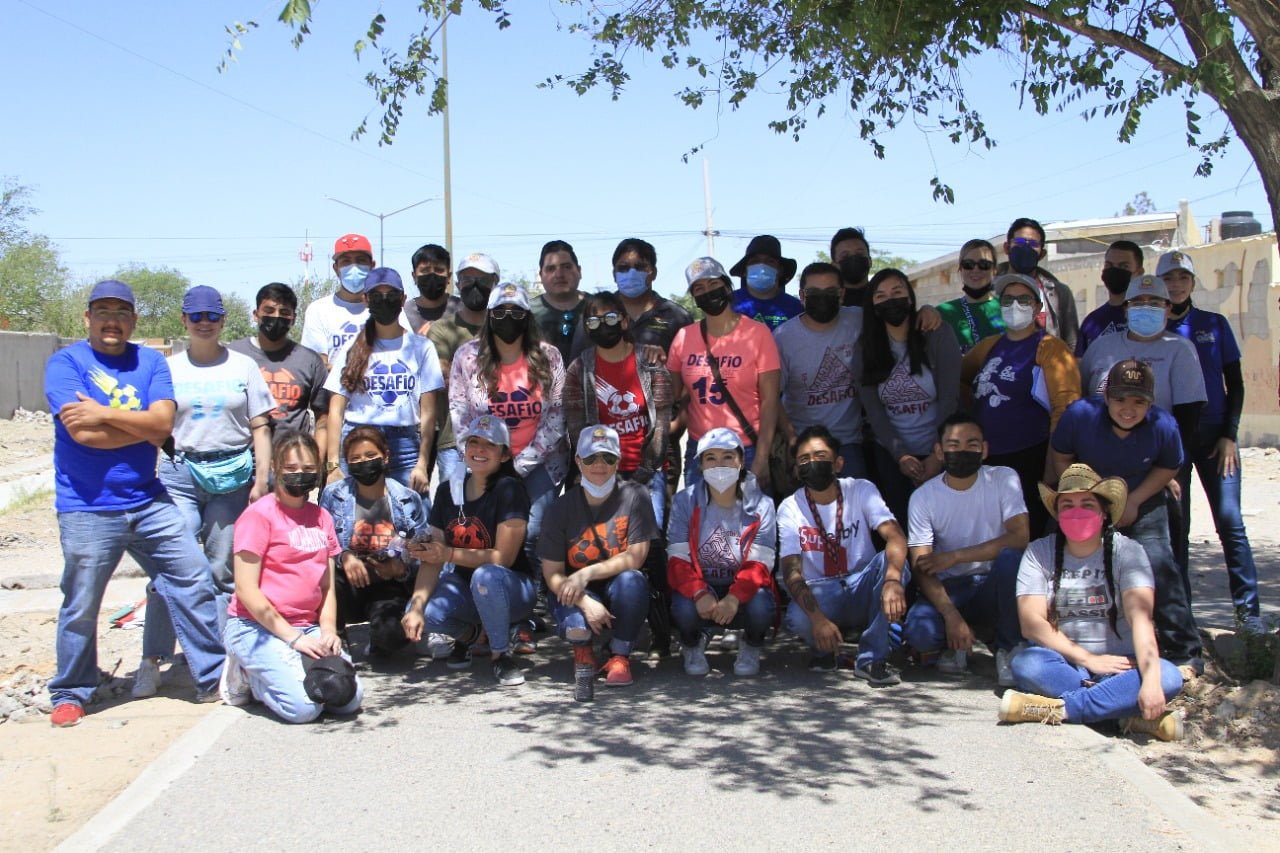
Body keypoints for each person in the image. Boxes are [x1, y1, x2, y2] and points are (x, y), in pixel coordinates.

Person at [44, 280, 226, 727]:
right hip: (87, 506)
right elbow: (82, 433)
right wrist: (142, 426)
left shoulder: (150, 362)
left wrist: (105, 413)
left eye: (122, 313)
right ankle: (72, 690)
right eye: (103, 312)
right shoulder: (66, 363)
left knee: (194, 579)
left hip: (148, 499)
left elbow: (164, 425)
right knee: (82, 602)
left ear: (134, 320)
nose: (113, 321)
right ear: (87, 318)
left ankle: (212, 676)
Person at [138, 285, 274, 698]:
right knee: (171, 568)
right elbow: (152, 426)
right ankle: (152, 659)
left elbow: (260, 426)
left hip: (232, 474)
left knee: (221, 571)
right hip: (180, 471)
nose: (204, 323)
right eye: (195, 316)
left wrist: (262, 480)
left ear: (222, 321)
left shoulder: (243, 366)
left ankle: (219, 661)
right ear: (184, 320)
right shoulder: (167, 369)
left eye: (211, 316)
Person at [998, 464, 1184, 742]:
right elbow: (1031, 623)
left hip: (1122, 667)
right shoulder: (1039, 552)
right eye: (1068, 505)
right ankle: (1121, 715)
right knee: (1027, 664)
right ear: (1057, 513)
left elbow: (1141, 619)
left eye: (1087, 504)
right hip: (1067, 665)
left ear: (1104, 511)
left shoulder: (1128, 552)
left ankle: (1059, 709)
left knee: (1168, 676)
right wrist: (1089, 660)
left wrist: (1150, 679)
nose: (1077, 511)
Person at [1051, 359, 1201, 675]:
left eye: (1138, 401)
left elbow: (1169, 466)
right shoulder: (1079, 415)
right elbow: (1061, 457)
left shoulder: (1164, 425)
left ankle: (1184, 652)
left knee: (1159, 563)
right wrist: (1086, 498)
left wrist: (1134, 500)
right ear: (1106, 397)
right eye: (1120, 399)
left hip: (1141, 496)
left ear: (1151, 403)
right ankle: (1056, 643)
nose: (1128, 409)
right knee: (1057, 558)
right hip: (1088, 496)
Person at [221, 431, 363, 723]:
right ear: (275, 467)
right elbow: (246, 589)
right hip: (255, 627)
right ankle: (247, 676)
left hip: (307, 626)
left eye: (308, 468)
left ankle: (287, 668)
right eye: (291, 468)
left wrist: (328, 631)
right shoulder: (258, 516)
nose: (300, 475)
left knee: (347, 698)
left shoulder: (322, 518)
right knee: (304, 709)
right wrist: (293, 639)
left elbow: (327, 586)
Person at [1159, 251, 1262, 631]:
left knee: (1230, 522)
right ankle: (1182, 616)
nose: (1176, 285)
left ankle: (1248, 615)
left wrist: (1229, 436)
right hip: (1173, 442)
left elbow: (1235, 384)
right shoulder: (1153, 331)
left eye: (1183, 278)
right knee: (1177, 528)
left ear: (1192, 282)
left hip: (1216, 439)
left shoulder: (1213, 324)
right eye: (1169, 278)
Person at [448, 282, 567, 590]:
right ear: (489, 316)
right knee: (489, 532)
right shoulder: (467, 356)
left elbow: (557, 416)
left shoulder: (549, 356)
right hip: (486, 462)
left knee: (533, 532)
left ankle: (533, 596)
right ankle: (494, 595)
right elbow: (460, 414)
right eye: (500, 312)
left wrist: (520, 463)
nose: (508, 318)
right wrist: (487, 460)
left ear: (528, 317)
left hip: (540, 461)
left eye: (516, 312)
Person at [401, 415, 534, 686]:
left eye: (490, 444)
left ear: (504, 455)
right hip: (465, 587)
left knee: (487, 575)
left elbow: (503, 558)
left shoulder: (511, 489)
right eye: (474, 442)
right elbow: (434, 556)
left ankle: (500, 655)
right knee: (423, 609)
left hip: (511, 588)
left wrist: (448, 554)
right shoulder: (447, 491)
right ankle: (471, 635)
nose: (480, 450)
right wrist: (416, 606)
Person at [778, 425, 910, 685]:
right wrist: (817, 620)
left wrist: (893, 581)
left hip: (862, 584)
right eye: (804, 459)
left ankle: (871, 659)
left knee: (893, 562)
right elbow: (791, 571)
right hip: (823, 591)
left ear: (838, 463)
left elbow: (895, 536)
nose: (812, 463)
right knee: (797, 617)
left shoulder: (861, 489)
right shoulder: (790, 506)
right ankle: (826, 649)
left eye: (820, 456)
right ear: (796, 469)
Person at [904, 412, 1029, 684]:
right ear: (939, 451)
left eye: (972, 444)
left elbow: (1020, 537)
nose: (962, 451)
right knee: (920, 633)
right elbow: (921, 565)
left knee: (1012, 559)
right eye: (953, 445)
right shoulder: (923, 497)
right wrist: (950, 615)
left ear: (984, 450)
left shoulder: (1003, 478)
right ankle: (961, 638)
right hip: (951, 588)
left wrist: (956, 556)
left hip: (992, 584)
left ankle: (1008, 648)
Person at [538, 426, 657, 692]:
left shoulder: (636, 496)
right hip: (573, 590)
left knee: (633, 581)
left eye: (608, 457)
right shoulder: (560, 508)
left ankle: (620, 654)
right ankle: (583, 649)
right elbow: (552, 573)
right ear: (578, 461)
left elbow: (636, 557)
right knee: (576, 626)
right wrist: (585, 601)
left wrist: (586, 573)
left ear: (618, 461)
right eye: (591, 458)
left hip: (615, 584)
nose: (599, 465)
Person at [960, 273, 1080, 535]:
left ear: (1037, 307)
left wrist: (1052, 469)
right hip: (988, 461)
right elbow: (960, 377)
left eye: (1023, 300)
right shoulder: (990, 346)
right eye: (1008, 299)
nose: (1015, 305)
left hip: (1030, 458)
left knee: (1025, 534)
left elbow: (1065, 409)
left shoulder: (1051, 348)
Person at [667, 429, 778, 677]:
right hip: (702, 584)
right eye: (711, 458)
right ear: (700, 465)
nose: (719, 464)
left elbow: (760, 565)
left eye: (728, 457)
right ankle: (692, 644)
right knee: (683, 607)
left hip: (741, 589)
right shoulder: (684, 501)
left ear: (741, 461)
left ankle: (751, 644)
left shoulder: (763, 505)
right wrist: (699, 593)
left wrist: (734, 598)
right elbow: (677, 561)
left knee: (761, 604)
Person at [323, 267, 445, 491]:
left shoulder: (422, 347)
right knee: (353, 511)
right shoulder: (352, 347)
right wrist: (333, 465)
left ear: (403, 299)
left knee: (411, 509)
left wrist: (422, 463)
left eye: (391, 295)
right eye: (377, 296)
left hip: (405, 445)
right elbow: (336, 409)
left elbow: (428, 413)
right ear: (366, 300)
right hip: (358, 442)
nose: (385, 301)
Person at [857, 268, 961, 526]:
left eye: (897, 292)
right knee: (903, 523)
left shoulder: (937, 334)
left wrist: (937, 455)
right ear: (872, 305)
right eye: (880, 296)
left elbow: (950, 399)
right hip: (893, 454)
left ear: (910, 297)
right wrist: (901, 456)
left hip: (940, 448)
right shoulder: (865, 348)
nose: (890, 300)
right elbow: (874, 412)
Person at [667, 257, 781, 490]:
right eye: (699, 288)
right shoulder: (683, 337)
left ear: (727, 286)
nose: (707, 292)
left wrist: (762, 457)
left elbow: (770, 401)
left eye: (713, 284)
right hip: (701, 451)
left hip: (745, 449)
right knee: (699, 514)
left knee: (751, 514)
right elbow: (673, 394)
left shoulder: (758, 334)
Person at [1079, 273, 1207, 477]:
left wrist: (1167, 468)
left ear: (1168, 309)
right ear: (1125, 309)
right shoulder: (1100, 346)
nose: (1146, 308)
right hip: (1100, 459)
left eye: (1155, 303)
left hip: (1158, 460)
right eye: (1137, 302)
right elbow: (1083, 399)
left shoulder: (1180, 350)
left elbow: (1188, 417)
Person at [319, 426, 430, 658]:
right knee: (323, 572)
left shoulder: (408, 499)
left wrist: (400, 569)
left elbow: (424, 553)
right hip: (347, 584)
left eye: (370, 456)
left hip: (387, 586)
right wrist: (344, 556)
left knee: (392, 636)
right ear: (347, 463)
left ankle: (379, 637)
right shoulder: (334, 495)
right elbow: (321, 542)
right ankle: (336, 637)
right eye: (355, 459)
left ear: (385, 456)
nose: (364, 463)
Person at [564, 291, 673, 525]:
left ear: (624, 321)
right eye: (594, 321)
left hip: (647, 472)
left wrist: (645, 471)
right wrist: (596, 470)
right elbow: (576, 429)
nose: (603, 326)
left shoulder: (651, 362)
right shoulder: (579, 369)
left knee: (648, 538)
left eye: (610, 318)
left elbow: (662, 424)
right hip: (599, 472)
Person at [774, 261, 866, 478]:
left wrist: (928, 312)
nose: (823, 298)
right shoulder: (783, 338)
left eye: (830, 292)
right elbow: (772, 396)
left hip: (849, 442)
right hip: (804, 443)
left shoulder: (859, 319)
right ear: (802, 296)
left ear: (842, 294)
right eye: (814, 293)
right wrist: (792, 440)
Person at [227, 282, 331, 453]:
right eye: (269, 311)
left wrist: (316, 462)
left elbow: (323, 420)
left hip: (292, 461)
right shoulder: (233, 355)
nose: (276, 317)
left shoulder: (309, 361)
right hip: (240, 461)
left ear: (294, 318)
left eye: (284, 313)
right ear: (256, 315)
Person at [428, 252, 498, 483]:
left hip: (502, 439)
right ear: (457, 284)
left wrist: (462, 374)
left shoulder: (508, 325)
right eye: (467, 280)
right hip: (455, 440)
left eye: (483, 280)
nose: (474, 285)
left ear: (495, 283)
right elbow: (443, 379)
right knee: (454, 504)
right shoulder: (442, 329)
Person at [569, 237, 694, 361]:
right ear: (614, 274)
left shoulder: (676, 316)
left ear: (654, 273)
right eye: (623, 268)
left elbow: (691, 367)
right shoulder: (594, 313)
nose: (632, 273)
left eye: (640, 267)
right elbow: (577, 364)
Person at [998, 217, 1079, 350]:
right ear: (1007, 248)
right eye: (1019, 242)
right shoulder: (990, 290)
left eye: (1033, 244)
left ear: (1042, 254)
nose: (1025, 248)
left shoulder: (1059, 293)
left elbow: (1072, 344)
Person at [301, 233, 375, 365]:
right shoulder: (318, 310)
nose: (354, 267)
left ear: (372, 266)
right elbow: (316, 364)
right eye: (346, 261)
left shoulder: (387, 309)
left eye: (360, 261)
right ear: (336, 269)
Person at [1075, 240, 1144, 357]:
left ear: (1139, 272)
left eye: (1124, 266)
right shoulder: (1091, 322)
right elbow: (1080, 363)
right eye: (1109, 265)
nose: (1115, 271)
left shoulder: (1151, 317)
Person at [936, 238, 1005, 354]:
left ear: (994, 270)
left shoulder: (1008, 308)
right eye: (968, 264)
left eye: (984, 264)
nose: (976, 269)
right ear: (960, 269)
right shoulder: (941, 313)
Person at [728, 234, 804, 330]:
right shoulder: (727, 304)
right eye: (755, 261)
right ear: (744, 271)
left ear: (780, 270)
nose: (762, 267)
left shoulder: (797, 309)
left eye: (770, 261)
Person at [531, 239, 586, 364]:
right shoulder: (527, 313)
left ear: (579, 271)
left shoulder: (598, 307)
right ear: (540, 275)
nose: (559, 274)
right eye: (551, 269)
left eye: (566, 267)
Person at [402, 242, 460, 336]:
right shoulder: (403, 315)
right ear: (414, 277)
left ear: (449, 277)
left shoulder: (462, 310)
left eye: (439, 270)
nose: (432, 275)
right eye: (425, 270)